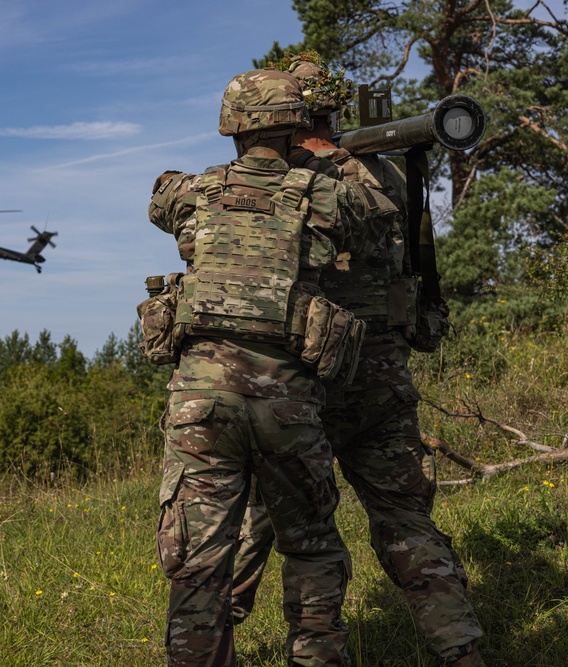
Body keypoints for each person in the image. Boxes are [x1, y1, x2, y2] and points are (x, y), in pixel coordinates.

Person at [227, 52, 487, 667]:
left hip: (299, 383)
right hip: (380, 377)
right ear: (334, 109)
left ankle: (211, 634)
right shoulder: (382, 177)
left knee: (269, 518)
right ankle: (462, 651)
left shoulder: (287, 180)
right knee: (404, 519)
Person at [149, 68, 399, 667]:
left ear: (231, 127)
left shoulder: (195, 192)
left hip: (200, 405)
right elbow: (380, 215)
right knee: (310, 548)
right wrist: (331, 152)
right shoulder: (321, 194)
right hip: (288, 399)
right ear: (295, 124)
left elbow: (160, 199)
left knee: (198, 565)